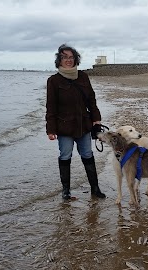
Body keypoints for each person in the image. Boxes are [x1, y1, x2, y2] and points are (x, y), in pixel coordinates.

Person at [45, 44, 106, 200]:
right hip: (64, 127)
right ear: (59, 59)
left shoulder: (83, 76)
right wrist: (50, 129)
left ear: (76, 59)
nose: (68, 60)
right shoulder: (53, 81)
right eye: (64, 57)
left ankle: (95, 189)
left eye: (71, 57)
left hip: (84, 125)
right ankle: (66, 191)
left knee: (87, 154)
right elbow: (50, 107)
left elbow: (91, 100)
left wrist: (96, 119)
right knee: (65, 156)